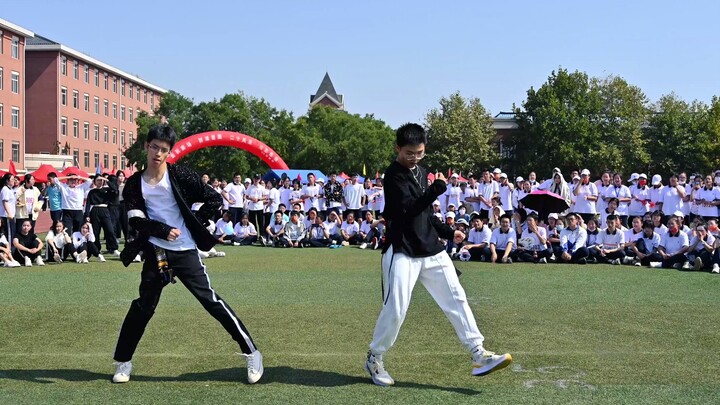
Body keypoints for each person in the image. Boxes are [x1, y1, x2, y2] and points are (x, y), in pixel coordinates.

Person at [112, 125, 263, 385]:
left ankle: (252, 353)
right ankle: (123, 362)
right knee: (143, 306)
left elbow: (214, 199)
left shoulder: (180, 175)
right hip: (156, 251)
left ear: (169, 153)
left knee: (210, 301)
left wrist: (194, 223)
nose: (158, 153)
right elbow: (136, 220)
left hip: (184, 251)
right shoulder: (134, 184)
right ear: (146, 147)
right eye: (154, 147)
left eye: (164, 150)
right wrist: (162, 229)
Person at [365, 123, 511, 388]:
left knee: (456, 297)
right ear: (398, 148)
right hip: (402, 249)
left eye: (419, 152)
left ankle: (479, 353)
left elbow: (425, 215)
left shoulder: (421, 171)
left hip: (431, 248)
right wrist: (433, 191)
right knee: (396, 309)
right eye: (409, 152)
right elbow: (407, 210)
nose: (415, 158)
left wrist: (448, 230)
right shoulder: (393, 176)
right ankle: (375, 357)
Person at [84, 175, 120, 256]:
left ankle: (114, 248)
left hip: (105, 210)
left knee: (110, 230)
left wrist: (107, 180)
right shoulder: (91, 192)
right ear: (94, 182)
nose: (99, 182)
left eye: (101, 180)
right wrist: (87, 215)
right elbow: (88, 205)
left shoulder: (107, 190)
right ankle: (97, 250)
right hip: (95, 211)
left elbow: (115, 189)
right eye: (98, 180)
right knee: (96, 232)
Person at [0, 173, 18, 248]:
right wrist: (9, 213)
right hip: (7, 216)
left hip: (11, 215)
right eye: (12, 179)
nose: (14, 181)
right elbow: (5, 202)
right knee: (9, 235)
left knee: (12, 233)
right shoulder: (5, 189)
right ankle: (9, 252)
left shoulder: (10, 189)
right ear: (7, 181)